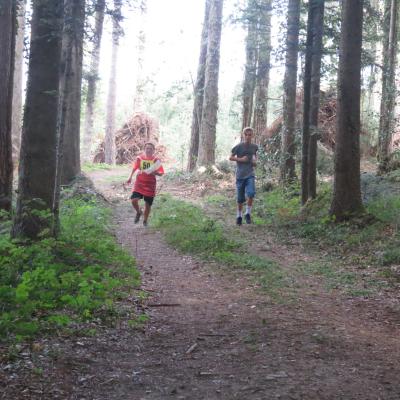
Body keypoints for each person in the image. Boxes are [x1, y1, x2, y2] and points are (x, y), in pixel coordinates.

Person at [126, 142, 164, 226]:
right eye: (147, 148)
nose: (148, 150)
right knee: (133, 200)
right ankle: (139, 212)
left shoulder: (156, 160)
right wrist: (130, 177)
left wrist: (156, 173)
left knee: (148, 204)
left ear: (153, 150)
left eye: (150, 148)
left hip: (150, 185)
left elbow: (161, 173)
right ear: (144, 149)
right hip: (139, 183)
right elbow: (134, 168)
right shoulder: (140, 158)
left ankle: (145, 220)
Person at [229, 127, 258, 226]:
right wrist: (241, 159)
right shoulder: (238, 147)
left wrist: (254, 162)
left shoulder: (254, 147)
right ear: (243, 135)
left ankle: (248, 214)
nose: (248, 136)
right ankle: (239, 216)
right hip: (240, 175)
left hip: (250, 174)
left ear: (252, 136)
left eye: (250, 135)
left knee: (251, 193)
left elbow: (255, 158)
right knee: (240, 198)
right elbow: (230, 157)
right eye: (246, 134)